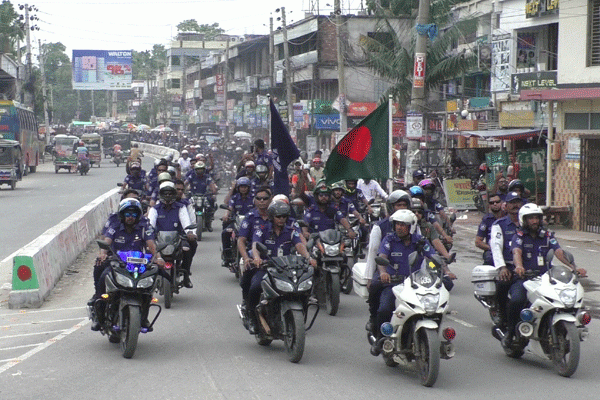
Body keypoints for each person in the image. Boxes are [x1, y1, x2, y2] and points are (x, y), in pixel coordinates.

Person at [504, 204, 587, 347]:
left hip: (545, 278)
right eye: (531, 218)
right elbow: (516, 252)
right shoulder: (519, 235)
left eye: (537, 217)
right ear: (524, 220)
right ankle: (511, 332)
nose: (534, 221)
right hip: (524, 278)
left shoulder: (547, 235)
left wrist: (574, 267)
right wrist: (519, 266)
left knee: (560, 298)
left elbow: (558, 252)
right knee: (517, 300)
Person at [370, 209, 436, 355]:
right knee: (384, 309)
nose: (399, 227)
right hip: (395, 284)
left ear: (411, 226)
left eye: (403, 224)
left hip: (416, 285)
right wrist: (383, 272)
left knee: (431, 309)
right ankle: (380, 340)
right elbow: (382, 257)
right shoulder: (389, 240)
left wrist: (443, 270)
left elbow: (431, 258)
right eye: (397, 224)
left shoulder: (420, 241)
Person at [244, 201, 315, 333]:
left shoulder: (291, 230)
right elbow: (255, 245)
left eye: (284, 216)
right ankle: (252, 318)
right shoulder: (262, 229)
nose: (282, 219)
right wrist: (257, 258)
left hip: (286, 267)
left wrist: (308, 257)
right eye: (278, 216)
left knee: (303, 289)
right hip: (267, 267)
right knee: (255, 287)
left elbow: (299, 245)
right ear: (272, 217)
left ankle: (298, 317)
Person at [90, 198, 157, 331]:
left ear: (138, 215)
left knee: (150, 284)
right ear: (122, 214)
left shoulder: (144, 228)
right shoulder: (115, 227)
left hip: (138, 266)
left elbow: (151, 244)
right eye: (127, 214)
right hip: (116, 264)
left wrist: (158, 258)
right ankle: (99, 312)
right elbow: (107, 242)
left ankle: (143, 317)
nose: (130, 217)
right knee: (102, 275)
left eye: (133, 214)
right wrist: (103, 254)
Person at [148, 182, 197, 288]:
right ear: (161, 194)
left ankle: (186, 274)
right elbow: (150, 225)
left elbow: (186, 222)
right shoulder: (155, 209)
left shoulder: (181, 207)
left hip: (178, 238)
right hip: (159, 240)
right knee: (147, 250)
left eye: (170, 193)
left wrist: (189, 233)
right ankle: (148, 276)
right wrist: (149, 235)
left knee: (188, 248)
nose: (168, 196)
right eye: (165, 193)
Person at [489, 191, 524, 331]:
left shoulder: (527, 222)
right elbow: (496, 247)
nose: (516, 205)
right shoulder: (500, 224)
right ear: (506, 206)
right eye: (512, 203)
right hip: (509, 266)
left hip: (527, 267)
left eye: (518, 202)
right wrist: (502, 267)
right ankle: (503, 317)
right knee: (502, 286)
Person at [237, 188, 273, 320]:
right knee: (251, 283)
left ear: (270, 200)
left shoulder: (276, 216)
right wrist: (247, 258)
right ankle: (248, 306)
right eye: (259, 198)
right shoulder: (250, 217)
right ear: (255, 200)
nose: (262, 201)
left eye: (265, 198)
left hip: (276, 257)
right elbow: (241, 240)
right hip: (255, 257)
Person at [221, 177, 254, 268]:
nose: (243, 189)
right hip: (236, 222)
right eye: (241, 187)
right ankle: (227, 256)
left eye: (245, 187)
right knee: (225, 232)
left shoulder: (253, 198)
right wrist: (226, 215)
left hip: (250, 224)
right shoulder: (234, 198)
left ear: (249, 187)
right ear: (238, 188)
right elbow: (230, 208)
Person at [186, 162, 218, 231]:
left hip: (204, 196)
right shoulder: (192, 176)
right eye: (198, 169)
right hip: (193, 195)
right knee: (185, 204)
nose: (200, 171)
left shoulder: (207, 177)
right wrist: (183, 189)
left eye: (201, 169)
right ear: (195, 170)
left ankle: (208, 223)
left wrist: (213, 191)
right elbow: (185, 183)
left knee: (210, 204)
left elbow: (212, 185)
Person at [475, 193, 505, 265]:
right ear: (489, 205)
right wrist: (493, 248)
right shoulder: (486, 220)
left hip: (507, 249)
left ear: (502, 203)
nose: (495, 204)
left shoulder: (508, 218)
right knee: (489, 259)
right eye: (492, 203)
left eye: (497, 202)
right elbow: (478, 242)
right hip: (491, 250)